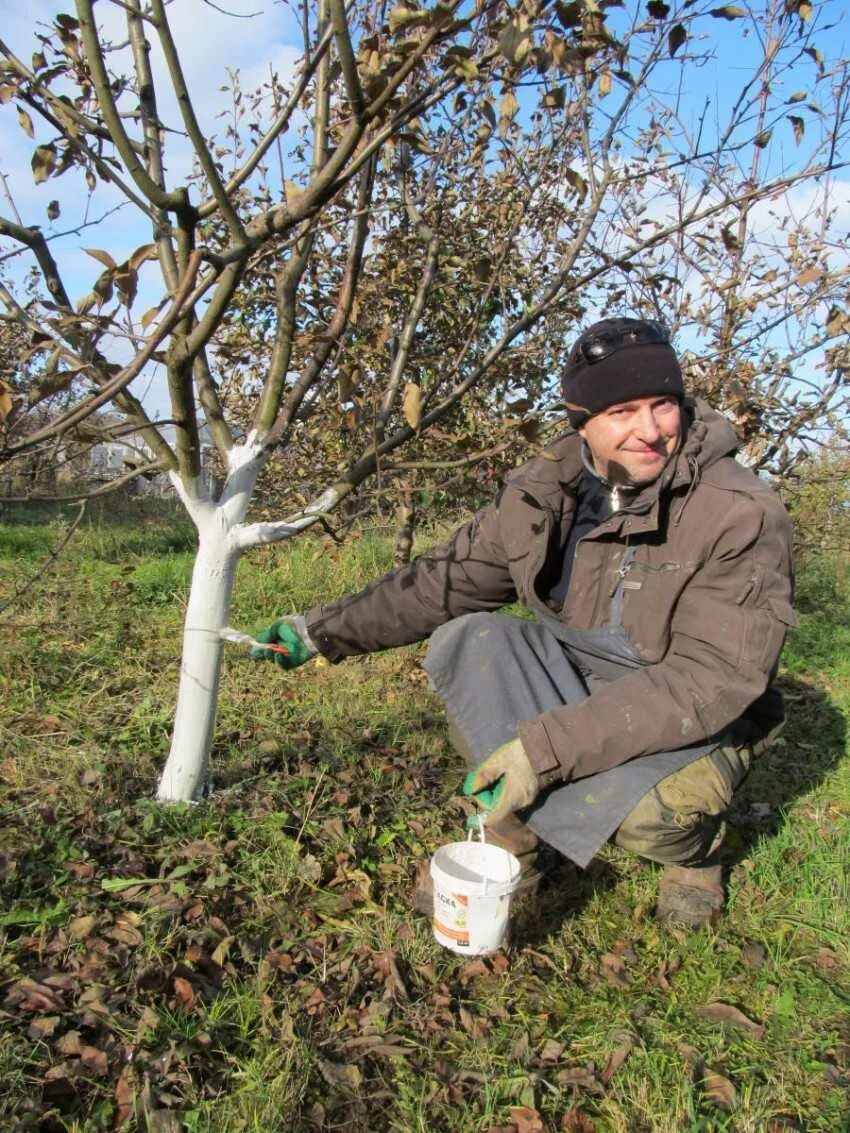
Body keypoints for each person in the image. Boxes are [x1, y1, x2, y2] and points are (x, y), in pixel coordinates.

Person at [251, 317, 795, 929]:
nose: (650, 431)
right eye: (623, 411)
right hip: (585, 677)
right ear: (581, 418)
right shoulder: (545, 490)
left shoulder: (738, 513)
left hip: (689, 710)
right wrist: (323, 631)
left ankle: (697, 853)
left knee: (649, 819)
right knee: (470, 640)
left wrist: (542, 752)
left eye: (663, 405)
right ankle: (509, 839)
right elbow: (444, 581)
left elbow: (710, 679)